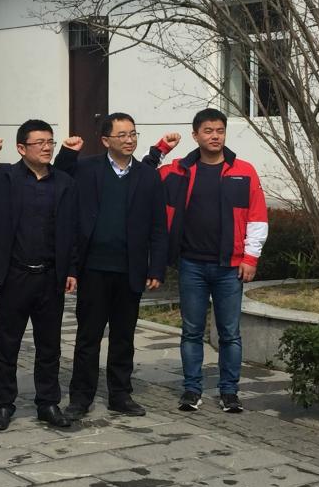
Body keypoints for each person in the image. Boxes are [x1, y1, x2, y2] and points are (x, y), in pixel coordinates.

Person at [0, 120, 81, 431]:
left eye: (50, 142)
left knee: (49, 346)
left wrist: (72, 269)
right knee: (7, 344)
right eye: (40, 143)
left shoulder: (63, 182)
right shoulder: (4, 176)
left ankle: (48, 403)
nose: (47, 147)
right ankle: (2, 404)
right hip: (14, 275)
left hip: (50, 276)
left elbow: (72, 229)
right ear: (22, 148)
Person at [144, 108, 268, 414]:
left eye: (220, 131)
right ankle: (192, 389)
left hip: (230, 267)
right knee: (191, 331)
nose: (215, 136)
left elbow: (257, 217)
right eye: (208, 131)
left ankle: (229, 392)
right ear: (195, 135)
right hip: (191, 265)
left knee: (230, 334)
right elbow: (142, 178)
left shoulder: (244, 171)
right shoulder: (178, 171)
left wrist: (251, 257)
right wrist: (160, 149)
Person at [54, 113, 168, 419]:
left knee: (123, 337)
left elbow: (159, 226)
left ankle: (120, 394)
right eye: (122, 135)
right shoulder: (86, 168)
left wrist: (156, 268)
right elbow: (58, 176)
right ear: (106, 140)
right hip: (93, 268)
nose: (129, 140)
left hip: (130, 269)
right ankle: (81, 397)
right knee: (88, 337)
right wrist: (67, 152)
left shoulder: (148, 176)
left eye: (133, 134)